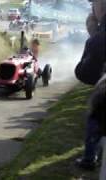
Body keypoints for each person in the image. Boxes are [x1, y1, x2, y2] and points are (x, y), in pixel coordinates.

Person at [75, 0, 106, 170]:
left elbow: (84, 73)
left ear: (100, 7)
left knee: (94, 118)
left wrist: (93, 35)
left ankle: (89, 158)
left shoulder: (98, 38)